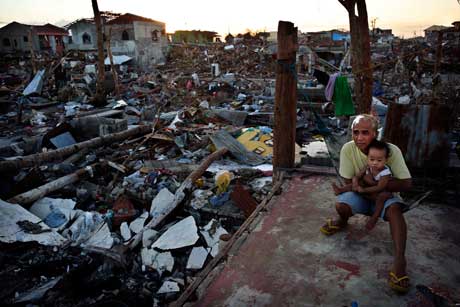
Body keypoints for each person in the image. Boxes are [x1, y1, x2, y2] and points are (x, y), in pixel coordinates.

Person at [320, 114, 412, 293]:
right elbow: (348, 179)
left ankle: (400, 260)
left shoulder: (390, 150)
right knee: (341, 206)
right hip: (361, 194)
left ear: (376, 133)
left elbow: (407, 183)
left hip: (384, 195)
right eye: (356, 132)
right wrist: (363, 184)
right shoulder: (348, 149)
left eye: (365, 132)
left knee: (395, 211)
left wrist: (373, 184)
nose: (359, 137)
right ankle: (343, 221)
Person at [332, 139, 393, 231]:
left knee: (382, 197)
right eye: (371, 159)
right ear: (367, 158)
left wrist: (364, 190)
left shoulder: (385, 172)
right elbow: (357, 176)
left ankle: (374, 218)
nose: (375, 163)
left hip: (378, 194)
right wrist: (355, 182)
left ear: (386, 160)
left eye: (379, 160)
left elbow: (380, 187)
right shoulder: (368, 166)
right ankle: (340, 190)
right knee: (358, 182)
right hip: (368, 192)